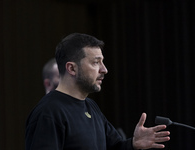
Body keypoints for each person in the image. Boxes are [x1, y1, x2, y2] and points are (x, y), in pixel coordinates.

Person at [25, 33, 170, 150]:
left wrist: (132, 144)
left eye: (102, 62)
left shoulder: (91, 107)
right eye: (96, 62)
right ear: (72, 68)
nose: (104, 70)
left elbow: (114, 146)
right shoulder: (49, 112)